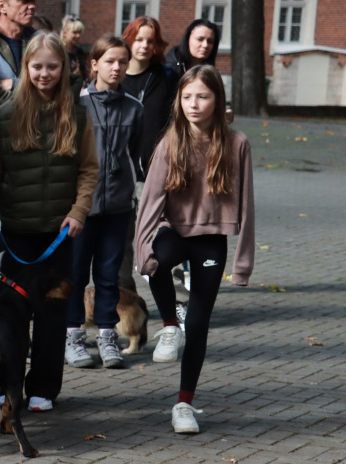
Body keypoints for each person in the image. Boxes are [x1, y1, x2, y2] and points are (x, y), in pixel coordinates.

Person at [134, 65, 255, 434]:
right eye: (187, 97)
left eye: (202, 96)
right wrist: (142, 250)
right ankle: (170, 325)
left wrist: (243, 263)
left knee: (200, 323)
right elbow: (150, 201)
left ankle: (184, 403)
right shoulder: (170, 142)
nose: (193, 104)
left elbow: (248, 204)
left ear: (217, 100)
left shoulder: (237, 144)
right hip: (175, 231)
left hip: (211, 238)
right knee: (158, 264)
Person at [0, 32, 97, 412]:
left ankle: (44, 389)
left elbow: (88, 170)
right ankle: (8, 385)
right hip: (16, 233)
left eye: (52, 66)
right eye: (37, 67)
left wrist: (79, 211)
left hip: (60, 235)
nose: (45, 74)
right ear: (26, 68)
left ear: (63, 68)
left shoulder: (79, 114)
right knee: (11, 315)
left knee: (53, 316)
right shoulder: (7, 113)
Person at [65, 35, 143, 371]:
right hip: (82, 208)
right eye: (110, 61)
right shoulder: (77, 104)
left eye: (122, 62)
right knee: (76, 274)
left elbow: (136, 155)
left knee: (110, 276)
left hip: (118, 207)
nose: (117, 67)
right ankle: (72, 336)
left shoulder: (134, 107)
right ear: (93, 63)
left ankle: (108, 336)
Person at [118, 16, 176, 292]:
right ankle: (125, 301)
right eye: (138, 39)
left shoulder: (165, 77)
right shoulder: (114, 77)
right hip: (121, 176)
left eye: (149, 41)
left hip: (157, 175)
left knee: (162, 242)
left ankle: (177, 302)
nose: (143, 46)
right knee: (122, 243)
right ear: (128, 40)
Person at [61, 15, 89, 83]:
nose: (78, 35)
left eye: (79, 32)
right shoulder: (59, 51)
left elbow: (84, 73)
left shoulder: (79, 51)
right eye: (75, 32)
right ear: (65, 33)